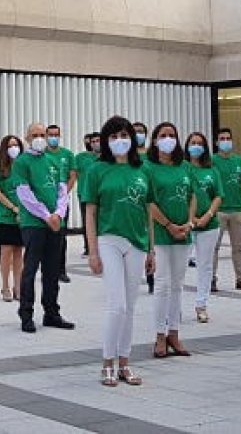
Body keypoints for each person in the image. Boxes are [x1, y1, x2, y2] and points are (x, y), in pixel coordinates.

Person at [84, 116, 155, 387]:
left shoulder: (143, 169)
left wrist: (151, 250)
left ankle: (125, 362)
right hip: (109, 240)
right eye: (113, 137)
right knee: (117, 305)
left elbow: (148, 210)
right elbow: (90, 212)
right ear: (105, 141)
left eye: (124, 135)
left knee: (131, 307)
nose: (120, 141)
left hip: (136, 243)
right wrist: (92, 251)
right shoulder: (97, 170)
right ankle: (107, 363)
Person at [12, 123, 74, 333]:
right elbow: (24, 193)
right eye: (35, 135)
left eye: (42, 134)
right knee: (30, 269)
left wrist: (58, 213)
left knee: (52, 269)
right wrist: (46, 216)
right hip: (34, 223)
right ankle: (26, 313)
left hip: (55, 222)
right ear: (27, 137)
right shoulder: (22, 162)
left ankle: (52, 312)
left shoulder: (52, 161)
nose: (40, 138)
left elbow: (62, 189)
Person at [142, 123, 193, 358]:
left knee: (177, 285)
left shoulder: (184, 166)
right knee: (162, 284)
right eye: (163, 136)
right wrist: (168, 225)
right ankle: (159, 335)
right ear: (154, 140)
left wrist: (189, 223)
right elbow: (148, 202)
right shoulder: (148, 167)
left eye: (172, 135)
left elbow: (193, 195)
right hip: (161, 234)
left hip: (184, 233)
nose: (168, 139)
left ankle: (174, 332)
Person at [212, 128, 241, 292]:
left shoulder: (240, 162)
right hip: (219, 210)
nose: (225, 141)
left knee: (238, 247)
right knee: (214, 247)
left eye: (228, 138)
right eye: (222, 138)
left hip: (237, 209)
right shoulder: (212, 160)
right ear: (217, 142)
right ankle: (212, 278)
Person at [186, 132, 222, 323]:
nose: (196, 146)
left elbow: (218, 195)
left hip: (209, 225)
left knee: (205, 266)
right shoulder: (182, 168)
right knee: (179, 267)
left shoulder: (212, 170)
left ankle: (201, 305)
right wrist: (191, 219)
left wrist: (208, 215)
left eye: (200, 143)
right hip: (185, 225)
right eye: (193, 143)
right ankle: (173, 308)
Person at [0, 135, 24, 303]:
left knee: (19, 252)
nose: (14, 148)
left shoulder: (24, 165)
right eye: (10, 145)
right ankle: (5, 286)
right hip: (4, 216)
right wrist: (13, 207)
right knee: (6, 252)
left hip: (22, 217)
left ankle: (18, 286)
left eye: (16, 145)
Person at [44, 125, 76, 284]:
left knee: (60, 237)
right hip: (44, 203)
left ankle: (60, 270)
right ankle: (46, 268)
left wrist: (63, 195)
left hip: (61, 203)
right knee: (43, 236)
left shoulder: (67, 154)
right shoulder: (41, 154)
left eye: (56, 134)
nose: (53, 137)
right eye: (50, 135)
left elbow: (72, 176)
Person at [73, 132, 100, 255]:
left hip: (102, 194)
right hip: (84, 194)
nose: (95, 144)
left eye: (97, 141)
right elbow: (76, 174)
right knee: (87, 220)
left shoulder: (105, 158)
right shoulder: (80, 157)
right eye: (92, 141)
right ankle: (88, 247)